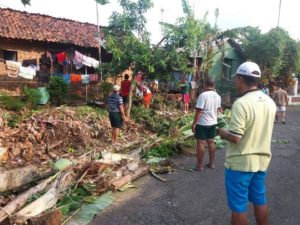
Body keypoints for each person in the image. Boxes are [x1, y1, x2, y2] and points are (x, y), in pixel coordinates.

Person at [218, 62, 276, 225]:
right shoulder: (269, 102)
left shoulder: (241, 103)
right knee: (259, 199)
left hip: (240, 164)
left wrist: (222, 132)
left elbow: (236, 137)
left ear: (241, 79)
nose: (235, 82)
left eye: (236, 78)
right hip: (261, 162)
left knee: (238, 207)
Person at [192, 77, 221, 171]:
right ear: (214, 85)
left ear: (205, 85)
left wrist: (194, 123)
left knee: (201, 143)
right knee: (211, 142)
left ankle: (199, 166)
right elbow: (218, 110)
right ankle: (211, 163)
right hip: (213, 123)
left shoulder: (203, 95)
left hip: (203, 123)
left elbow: (198, 111)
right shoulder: (218, 96)